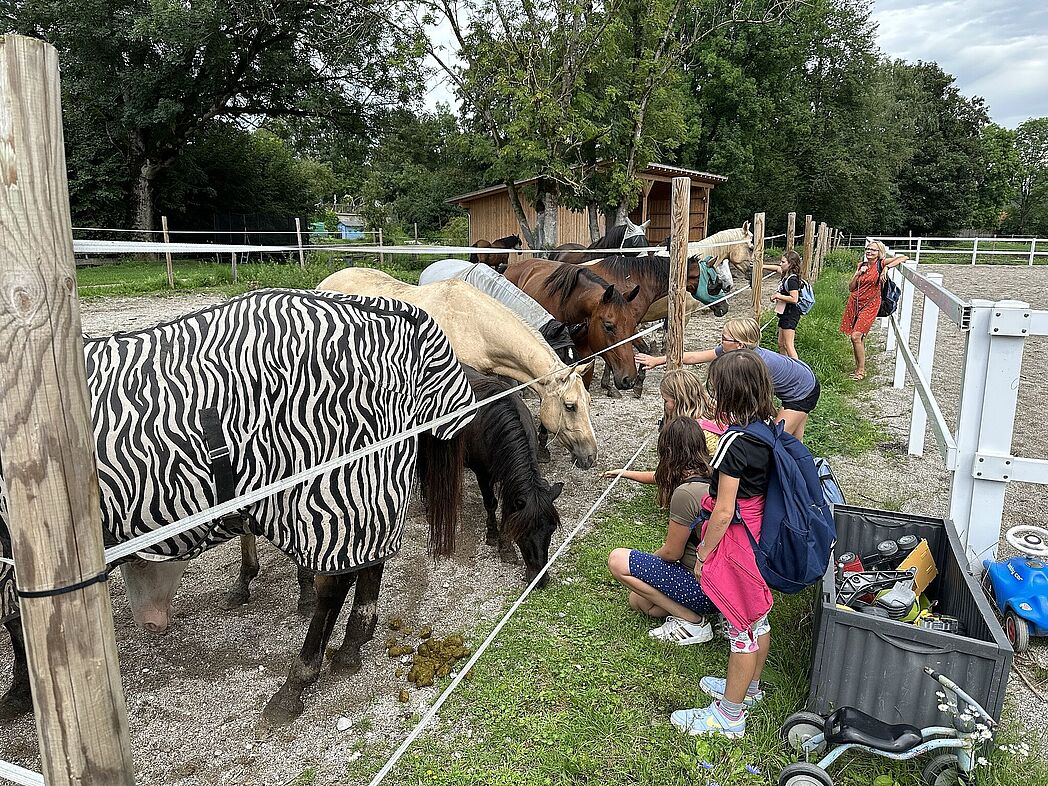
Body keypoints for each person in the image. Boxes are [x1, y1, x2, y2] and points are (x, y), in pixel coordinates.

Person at [669, 349, 775, 739]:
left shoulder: (733, 442)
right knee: (757, 618)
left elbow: (724, 510)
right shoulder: (766, 429)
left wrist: (704, 553)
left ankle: (729, 717)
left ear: (729, 395)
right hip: (759, 535)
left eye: (716, 390)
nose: (712, 397)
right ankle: (750, 690)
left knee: (741, 626)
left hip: (736, 543)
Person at [607, 418, 717, 645]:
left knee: (618, 560)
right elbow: (658, 478)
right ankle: (700, 613)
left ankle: (693, 621)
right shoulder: (714, 474)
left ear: (668, 450)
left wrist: (646, 566)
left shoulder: (686, 493)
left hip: (704, 587)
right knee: (640, 601)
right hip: (723, 585)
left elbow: (672, 553)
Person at [636, 317, 819, 442]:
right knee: (793, 441)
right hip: (801, 380)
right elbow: (694, 357)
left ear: (740, 344)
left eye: (724, 338)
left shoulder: (753, 366)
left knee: (775, 441)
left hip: (801, 392)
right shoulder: (733, 352)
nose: (720, 341)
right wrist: (657, 360)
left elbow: (753, 403)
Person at [604, 370, 720, 485]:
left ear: (678, 400)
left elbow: (669, 476)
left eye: (665, 400)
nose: (664, 405)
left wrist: (624, 473)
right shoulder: (716, 416)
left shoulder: (685, 433)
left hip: (698, 495)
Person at [840, 239, 908, 380]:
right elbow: (851, 288)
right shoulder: (861, 265)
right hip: (855, 303)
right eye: (868, 249)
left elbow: (903, 257)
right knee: (858, 338)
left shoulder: (881, 263)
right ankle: (859, 367)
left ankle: (861, 371)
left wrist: (886, 268)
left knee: (856, 336)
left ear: (879, 253)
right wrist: (858, 274)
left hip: (870, 305)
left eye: (873, 250)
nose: (869, 251)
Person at [762, 250, 804, 359]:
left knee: (788, 345)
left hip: (790, 314)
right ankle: (786, 366)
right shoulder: (787, 275)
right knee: (781, 344)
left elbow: (794, 299)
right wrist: (761, 266)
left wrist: (777, 296)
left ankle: (798, 370)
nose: (780, 264)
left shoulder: (792, 280)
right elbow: (776, 269)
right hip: (785, 313)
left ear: (790, 264)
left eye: (783, 262)